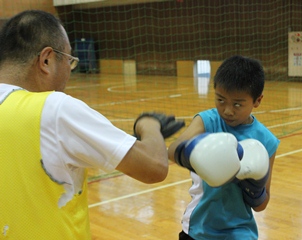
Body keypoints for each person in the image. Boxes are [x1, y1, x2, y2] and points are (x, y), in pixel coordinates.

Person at [0, 10, 184, 239]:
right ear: (46, 60)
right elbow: (154, 166)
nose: (69, 70)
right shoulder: (54, 109)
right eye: (69, 60)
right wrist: (149, 125)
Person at [168, 55, 280, 240]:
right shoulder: (207, 120)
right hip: (198, 227)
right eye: (220, 100)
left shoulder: (267, 141)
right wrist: (197, 152)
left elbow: (261, 205)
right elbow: (173, 151)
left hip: (241, 232)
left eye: (237, 104)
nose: (227, 110)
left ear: (257, 100)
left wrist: (254, 188)